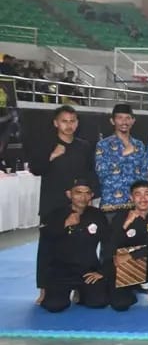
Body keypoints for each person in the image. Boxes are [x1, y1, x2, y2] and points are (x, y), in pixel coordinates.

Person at [29, 105, 98, 305]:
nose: (69, 125)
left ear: (77, 123)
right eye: (64, 121)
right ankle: (44, 289)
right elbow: (35, 169)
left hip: (79, 204)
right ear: (56, 123)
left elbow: (90, 172)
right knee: (48, 248)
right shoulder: (47, 144)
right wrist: (52, 155)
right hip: (52, 205)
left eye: (72, 121)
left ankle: (78, 286)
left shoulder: (84, 146)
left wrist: (90, 197)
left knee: (81, 246)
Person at [38, 178, 110, 312]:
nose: (83, 197)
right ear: (69, 194)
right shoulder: (55, 214)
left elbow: (109, 244)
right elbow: (45, 248)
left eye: (87, 193)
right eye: (78, 192)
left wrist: (102, 272)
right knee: (54, 306)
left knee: (99, 302)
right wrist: (65, 224)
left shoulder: (98, 215)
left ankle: (81, 293)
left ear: (92, 195)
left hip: (88, 270)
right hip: (60, 271)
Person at [101, 180, 148, 312]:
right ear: (131, 197)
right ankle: (130, 287)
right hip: (124, 266)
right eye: (138, 194)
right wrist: (126, 224)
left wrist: (131, 255)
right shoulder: (121, 216)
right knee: (121, 305)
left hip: (144, 260)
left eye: (147, 194)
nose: (143, 198)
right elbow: (111, 244)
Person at [95, 103, 148, 218]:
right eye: (120, 118)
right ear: (112, 121)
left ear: (133, 121)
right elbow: (101, 172)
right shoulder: (103, 144)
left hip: (135, 206)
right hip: (112, 204)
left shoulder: (139, 145)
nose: (124, 122)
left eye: (128, 118)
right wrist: (122, 155)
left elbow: (144, 175)